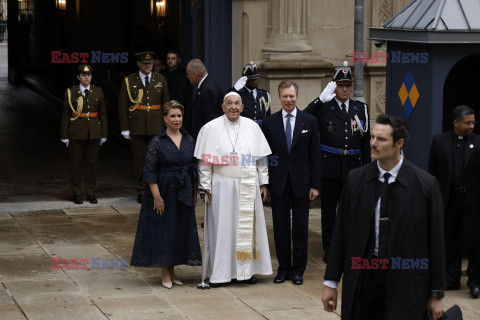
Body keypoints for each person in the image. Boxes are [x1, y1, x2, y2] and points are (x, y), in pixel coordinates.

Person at [322, 114, 445, 320]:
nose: (373, 143)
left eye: (381, 139)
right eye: (372, 137)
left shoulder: (426, 185)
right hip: (364, 278)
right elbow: (341, 234)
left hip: (407, 280)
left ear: (399, 143)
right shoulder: (355, 180)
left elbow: (436, 242)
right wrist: (331, 282)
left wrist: (436, 294)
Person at [194, 92, 272, 287]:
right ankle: (220, 274)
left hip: (247, 184)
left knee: (247, 232)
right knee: (223, 230)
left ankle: (246, 273)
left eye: (237, 103)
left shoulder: (252, 127)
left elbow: (261, 159)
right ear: (223, 106)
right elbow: (205, 163)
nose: (233, 107)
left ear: (242, 107)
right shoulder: (210, 128)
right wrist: (205, 188)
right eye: (229, 103)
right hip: (222, 185)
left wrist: (263, 183)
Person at [130, 100, 202, 289]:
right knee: (163, 231)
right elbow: (149, 171)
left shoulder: (189, 140)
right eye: (172, 116)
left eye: (179, 116)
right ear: (164, 118)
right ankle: (164, 273)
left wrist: (194, 195)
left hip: (183, 191)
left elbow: (194, 170)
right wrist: (157, 196)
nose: (177, 119)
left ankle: (172, 271)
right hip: (163, 192)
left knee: (177, 231)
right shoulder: (156, 142)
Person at [304, 61, 370, 262]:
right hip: (330, 167)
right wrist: (319, 100)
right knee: (329, 213)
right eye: (341, 85)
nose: (344, 89)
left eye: (348, 85)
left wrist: (367, 170)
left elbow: (365, 142)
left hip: (353, 167)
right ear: (334, 86)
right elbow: (303, 118)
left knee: (351, 211)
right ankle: (331, 249)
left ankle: (349, 247)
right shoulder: (325, 108)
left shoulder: (361, 108)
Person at [262, 80, 321, 285]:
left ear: (297, 97)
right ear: (279, 97)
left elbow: (315, 155)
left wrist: (315, 185)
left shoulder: (310, 121)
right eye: (285, 96)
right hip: (278, 183)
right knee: (280, 228)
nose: (288, 100)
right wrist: (265, 184)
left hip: (302, 183)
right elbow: (266, 156)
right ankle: (283, 269)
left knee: (300, 228)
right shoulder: (269, 123)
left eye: (292, 96)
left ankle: (298, 271)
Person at [428, 105, 480, 297]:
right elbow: (432, 173)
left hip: (472, 201)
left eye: (473, 122)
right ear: (456, 122)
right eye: (467, 122)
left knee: (474, 241)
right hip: (448, 200)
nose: (471, 126)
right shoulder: (439, 141)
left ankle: (475, 281)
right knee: (449, 240)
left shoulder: (478, 142)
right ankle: (451, 279)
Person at [119, 51, 170, 204]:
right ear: (138, 64)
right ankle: (141, 190)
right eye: (145, 63)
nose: (148, 65)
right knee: (139, 160)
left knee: (157, 160)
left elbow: (166, 104)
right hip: (137, 126)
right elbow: (122, 105)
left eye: (150, 63)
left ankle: (156, 189)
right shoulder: (129, 80)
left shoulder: (160, 79)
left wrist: (167, 125)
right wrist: (125, 128)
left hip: (156, 126)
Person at [60, 64, 108, 204]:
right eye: (83, 75)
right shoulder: (71, 92)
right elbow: (65, 115)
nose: (86, 78)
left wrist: (104, 133)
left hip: (94, 132)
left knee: (91, 164)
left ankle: (91, 193)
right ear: (78, 77)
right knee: (76, 164)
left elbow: (103, 114)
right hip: (76, 132)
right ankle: (76, 193)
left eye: (89, 75)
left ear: (91, 77)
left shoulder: (98, 91)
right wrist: (64, 135)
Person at [186, 59, 223, 139]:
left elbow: (210, 119)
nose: (187, 76)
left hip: (208, 138)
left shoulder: (208, 89)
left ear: (195, 74)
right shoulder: (207, 84)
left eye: (188, 74)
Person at [464, 144, 480, 299]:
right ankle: (475, 282)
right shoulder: (479, 150)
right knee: (476, 244)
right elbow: (471, 180)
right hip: (477, 208)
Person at [165, 49, 191, 131]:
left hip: (176, 113)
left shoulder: (182, 76)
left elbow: (181, 98)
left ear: (179, 60)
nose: (170, 61)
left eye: (173, 59)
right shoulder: (164, 74)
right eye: (168, 58)